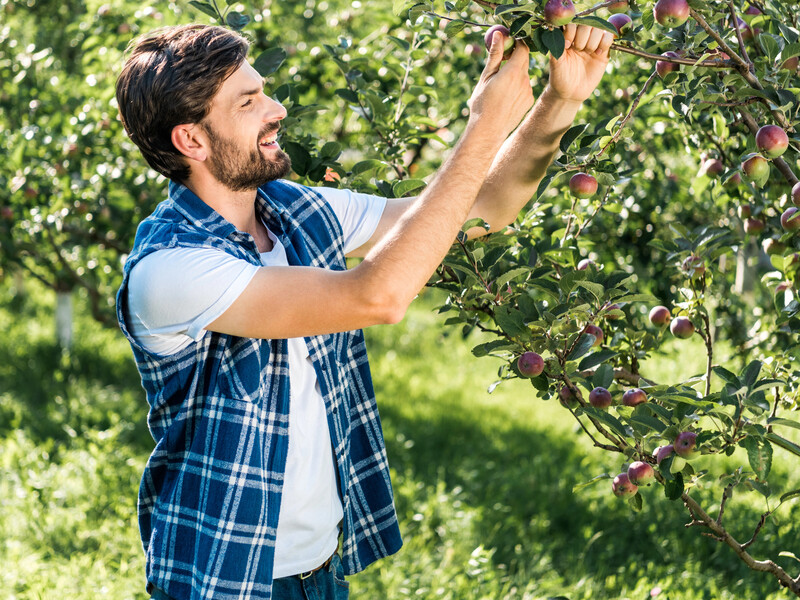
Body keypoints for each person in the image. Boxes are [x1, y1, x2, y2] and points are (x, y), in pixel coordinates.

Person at [115, 20, 613, 600]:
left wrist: (558, 102)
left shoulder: (295, 209)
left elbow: (477, 213)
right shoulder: (171, 269)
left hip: (320, 573)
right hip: (225, 577)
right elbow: (376, 297)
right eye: (249, 103)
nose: (275, 109)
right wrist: (483, 124)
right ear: (192, 141)